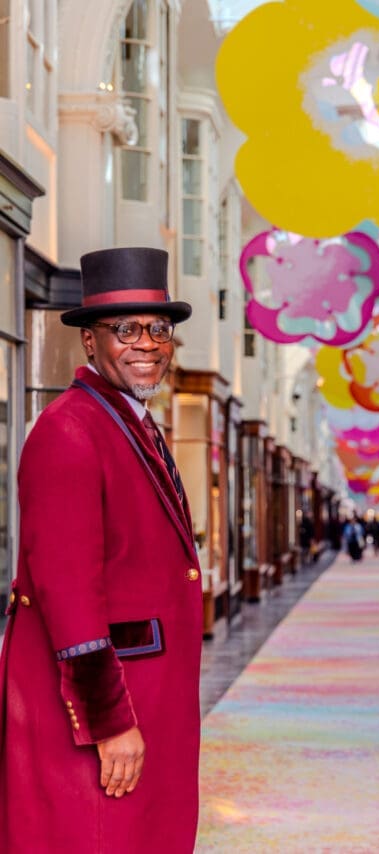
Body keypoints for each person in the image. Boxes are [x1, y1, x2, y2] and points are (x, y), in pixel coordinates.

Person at [0, 247, 202, 852]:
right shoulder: (68, 431)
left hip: (146, 695)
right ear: (91, 342)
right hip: (101, 711)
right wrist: (109, 722)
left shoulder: (126, 420)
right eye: (125, 329)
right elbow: (68, 597)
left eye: (159, 329)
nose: (146, 343)